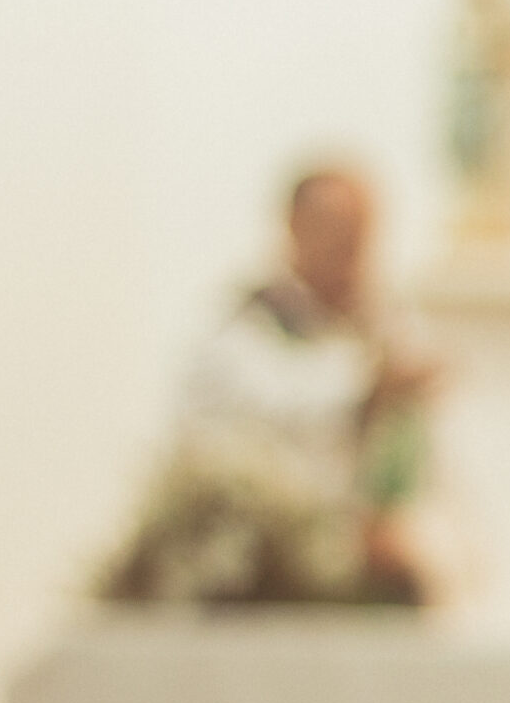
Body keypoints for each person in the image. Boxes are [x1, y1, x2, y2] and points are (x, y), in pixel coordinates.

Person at [140, 162, 437, 602]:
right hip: (258, 576)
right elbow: (262, 415)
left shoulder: (386, 328)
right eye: (336, 230)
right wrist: (368, 390)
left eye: (360, 235)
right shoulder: (239, 331)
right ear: (295, 227)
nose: (350, 250)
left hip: (363, 570)